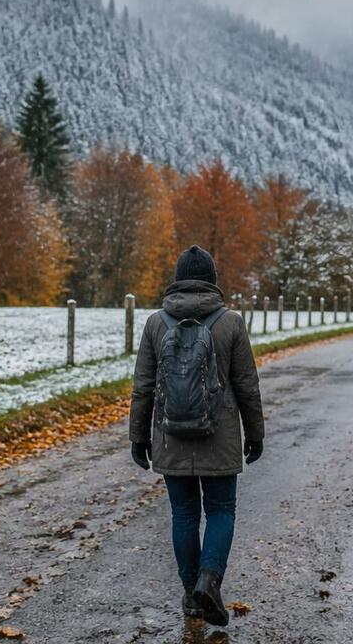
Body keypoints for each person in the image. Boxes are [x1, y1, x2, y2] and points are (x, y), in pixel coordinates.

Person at [128, 245, 265, 626]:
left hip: (170, 435)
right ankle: (210, 579)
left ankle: (191, 595)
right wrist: (255, 433)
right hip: (219, 435)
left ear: (178, 280)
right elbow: (247, 385)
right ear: (212, 281)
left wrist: (138, 437)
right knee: (220, 510)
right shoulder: (231, 322)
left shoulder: (156, 323)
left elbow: (143, 386)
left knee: (184, 513)